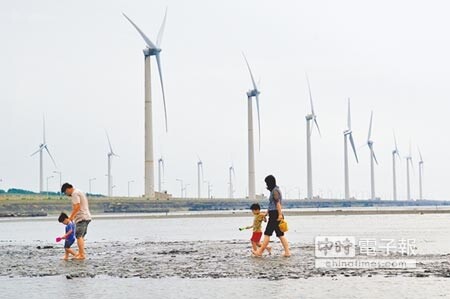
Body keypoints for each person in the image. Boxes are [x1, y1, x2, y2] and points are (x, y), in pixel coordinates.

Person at [252, 175, 291, 257]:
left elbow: (277, 203)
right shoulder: (275, 190)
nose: (266, 184)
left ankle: (260, 252)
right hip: (274, 213)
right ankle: (287, 252)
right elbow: (272, 204)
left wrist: (280, 214)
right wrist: (267, 212)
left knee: (267, 234)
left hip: (275, 215)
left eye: (266, 183)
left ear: (269, 182)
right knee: (280, 235)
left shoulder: (275, 191)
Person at [61, 183, 92, 260]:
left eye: (65, 192)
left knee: (79, 236)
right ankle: (81, 253)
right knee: (81, 236)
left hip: (82, 217)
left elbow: (77, 207)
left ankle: (81, 255)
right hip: (86, 216)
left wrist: (71, 218)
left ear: (68, 189)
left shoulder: (75, 193)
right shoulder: (79, 191)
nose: (66, 194)